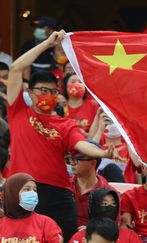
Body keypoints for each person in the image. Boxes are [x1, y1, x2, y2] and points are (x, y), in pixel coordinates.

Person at [7, 30, 115, 241]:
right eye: (42, 90)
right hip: (24, 190)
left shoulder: (65, 124)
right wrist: (48, 44)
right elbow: (15, 68)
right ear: (30, 93)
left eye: (53, 91)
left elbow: (82, 145)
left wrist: (102, 152)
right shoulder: (18, 111)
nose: (48, 95)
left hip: (58, 194)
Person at [0, 173, 63, 242]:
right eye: (27, 189)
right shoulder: (1, 225)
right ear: (13, 193)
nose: (33, 193)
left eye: (35, 190)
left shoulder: (46, 223)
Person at [69, 139, 116, 228]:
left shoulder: (108, 193)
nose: (72, 163)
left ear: (93, 163)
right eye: (70, 159)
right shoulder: (65, 186)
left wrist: (92, 230)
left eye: (77, 159)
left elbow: (111, 227)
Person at [69, 188, 141, 243]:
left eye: (113, 204)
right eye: (104, 204)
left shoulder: (129, 236)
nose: (110, 207)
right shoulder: (80, 236)